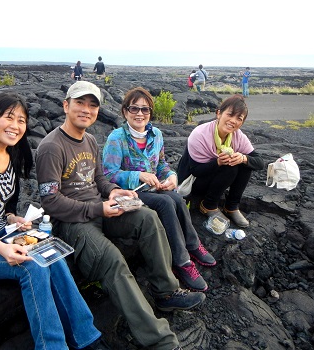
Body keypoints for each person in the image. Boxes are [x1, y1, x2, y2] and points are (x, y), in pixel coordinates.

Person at [36, 81, 205, 350]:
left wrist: (114, 192)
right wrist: (98, 208)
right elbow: (51, 201)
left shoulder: (89, 140)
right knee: (113, 260)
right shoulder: (51, 147)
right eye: (80, 103)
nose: (86, 109)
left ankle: (166, 291)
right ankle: (160, 341)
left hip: (101, 209)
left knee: (148, 217)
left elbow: (100, 179)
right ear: (66, 106)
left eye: (92, 105)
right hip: (72, 223)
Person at [0, 92, 109, 350]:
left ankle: (86, 335)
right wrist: (4, 249)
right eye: (9, 118)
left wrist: (12, 218)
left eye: (21, 120)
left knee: (52, 254)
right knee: (33, 266)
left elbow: (2, 207)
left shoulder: (13, 155)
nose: (15, 126)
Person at [102, 87, 216, 292]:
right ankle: (182, 263)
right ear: (125, 112)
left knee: (177, 198)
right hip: (128, 193)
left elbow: (161, 164)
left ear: (150, 113)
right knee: (165, 202)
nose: (139, 114)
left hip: (153, 189)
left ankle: (192, 244)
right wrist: (138, 175)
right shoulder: (116, 138)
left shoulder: (156, 135)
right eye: (134, 108)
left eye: (145, 109)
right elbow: (108, 174)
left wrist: (171, 176)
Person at [177, 94, 264, 228]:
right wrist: (217, 163)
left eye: (239, 118)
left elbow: (259, 162)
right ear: (219, 113)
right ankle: (208, 206)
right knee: (231, 166)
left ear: (241, 123)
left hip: (214, 178)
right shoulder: (200, 134)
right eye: (230, 115)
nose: (233, 121)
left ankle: (232, 206)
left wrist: (243, 158)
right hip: (193, 181)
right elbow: (195, 170)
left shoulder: (238, 136)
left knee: (244, 162)